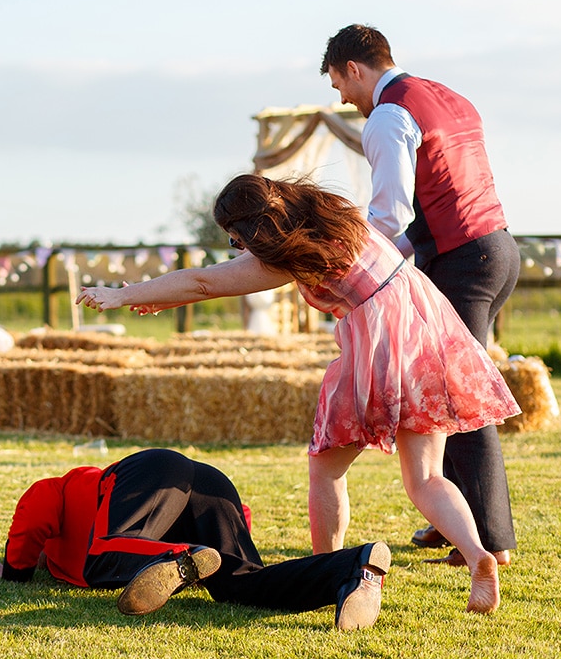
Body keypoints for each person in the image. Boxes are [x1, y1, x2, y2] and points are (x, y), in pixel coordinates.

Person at [77, 174, 518, 614]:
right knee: (425, 477)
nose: (239, 251)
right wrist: (159, 299)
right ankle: (479, 555)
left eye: (236, 240)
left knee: (325, 468)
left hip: (382, 344)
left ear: (251, 229)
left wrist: (122, 294)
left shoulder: (290, 255)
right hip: (425, 333)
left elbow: (205, 282)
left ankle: (328, 569)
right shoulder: (337, 220)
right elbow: (208, 283)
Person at [320, 24, 519, 567]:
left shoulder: (386, 116)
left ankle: (491, 541)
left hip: (461, 262)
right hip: (497, 249)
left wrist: (349, 275)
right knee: (449, 393)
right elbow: (435, 208)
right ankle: (453, 524)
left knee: (459, 402)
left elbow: (388, 216)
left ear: (353, 69)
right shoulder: (448, 98)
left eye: (338, 83)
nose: (341, 97)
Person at [0, 448, 390, 630]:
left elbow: (31, 517)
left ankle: (185, 559)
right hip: (209, 483)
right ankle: (356, 566)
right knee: (241, 584)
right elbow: (237, 519)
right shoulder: (75, 550)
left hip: (151, 471)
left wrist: (12, 572)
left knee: (100, 559)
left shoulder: (67, 486)